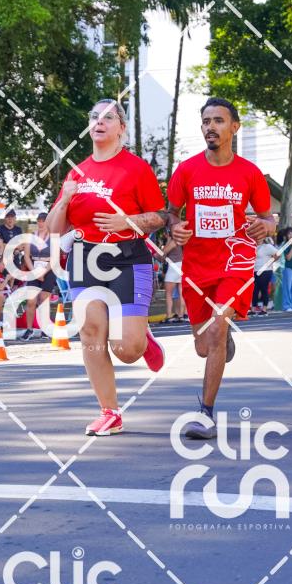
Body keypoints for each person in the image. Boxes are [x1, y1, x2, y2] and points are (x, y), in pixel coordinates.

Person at [46, 98, 167, 437]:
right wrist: (66, 198)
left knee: (126, 350)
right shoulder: (76, 173)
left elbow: (160, 216)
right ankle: (110, 412)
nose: (99, 122)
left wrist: (127, 221)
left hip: (128, 257)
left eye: (108, 117)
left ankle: (140, 335)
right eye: (94, 117)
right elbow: (54, 229)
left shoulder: (136, 169)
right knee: (90, 333)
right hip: (85, 258)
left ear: (121, 128)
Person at [167, 97, 274, 439]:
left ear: (234, 127)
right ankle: (222, 338)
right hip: (197, 266)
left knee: (215, 329)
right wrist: (175, 227)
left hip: (234, 264)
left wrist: (265, 226)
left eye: (218, 120)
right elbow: (171, 212)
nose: (210, 127)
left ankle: (206, 414)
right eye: (206, 121)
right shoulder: (187, 170)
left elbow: (269, 217)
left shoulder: (250, 173)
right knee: (204, 346)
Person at [21, 212, 59, 341]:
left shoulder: (54, 238)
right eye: (39, 221)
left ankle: (44, 329)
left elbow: (55, 258)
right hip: (34, 269)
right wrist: (34, 272)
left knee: (44, 300)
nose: (41, 223)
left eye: (44, 221)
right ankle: (29, 329)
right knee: (31, 301)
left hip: (48, 270)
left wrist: (43, 273)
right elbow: (26, 256)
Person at [160, 232, 185, 323]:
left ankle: (169, 315)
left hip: (174, 265)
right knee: (181, 293)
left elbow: (162, 253)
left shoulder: (173, 241)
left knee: (169, 293)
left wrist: (167, 241)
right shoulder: (181, 240)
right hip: (182, 265)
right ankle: (181, 315)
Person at [252, 237, 278, 315]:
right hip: (255, 270)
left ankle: (264, 309)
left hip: (265, 270)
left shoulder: (267, 246)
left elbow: (277, 254)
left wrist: (271, 262)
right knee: (255, 290)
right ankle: (253, 309)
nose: (258, 238)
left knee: (264, 289)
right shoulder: (253, 246)